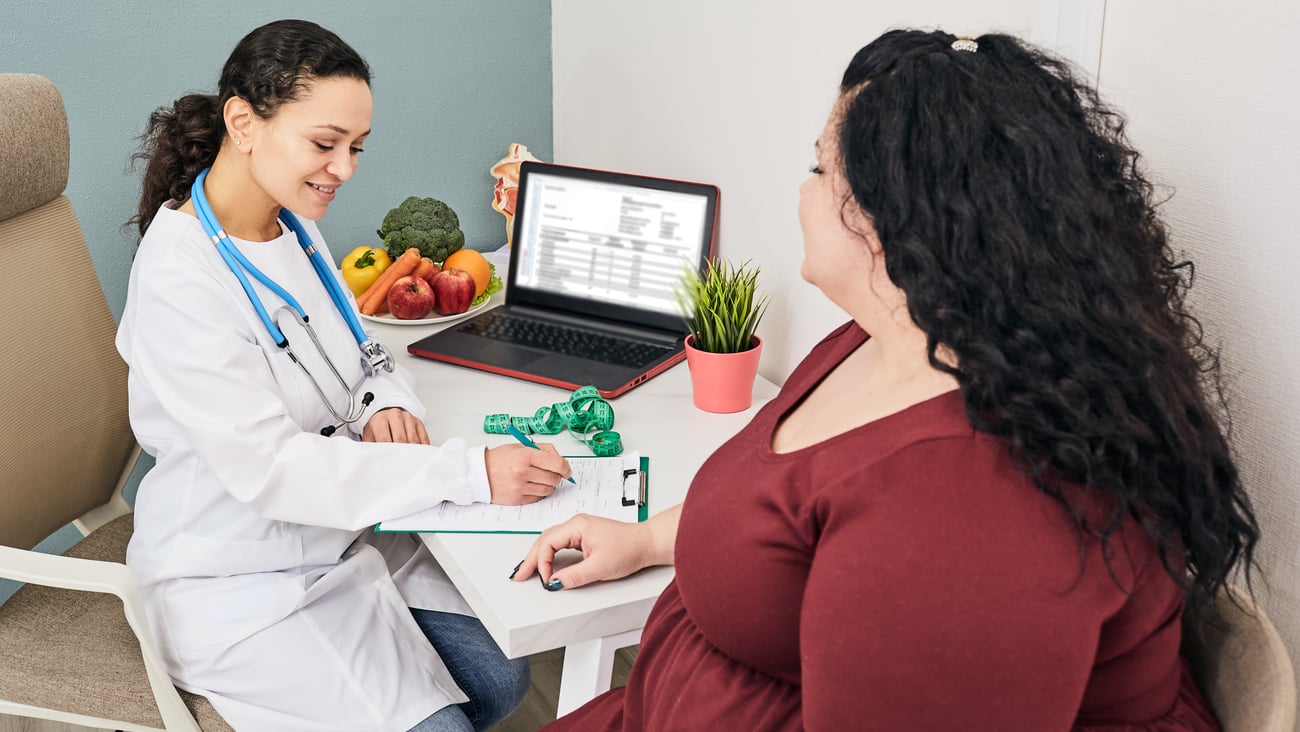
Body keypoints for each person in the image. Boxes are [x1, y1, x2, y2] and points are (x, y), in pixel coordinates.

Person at [512, 29, 1261, 730]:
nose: (802, 193)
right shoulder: (890, 336)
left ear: (883, 219)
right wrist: (647, 539)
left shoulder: (970, 512)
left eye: (818, 169)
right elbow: (783, 506)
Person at [118, 19, 571, 732]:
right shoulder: (182, 277)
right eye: (325, 144)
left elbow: (366, 351)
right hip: (237, 577)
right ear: (244, 121)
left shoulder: (290, 226)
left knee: (499, 678)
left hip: (342, 536)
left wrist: (380, 401)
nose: (346, 169)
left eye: (355, 148)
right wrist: (473, 474)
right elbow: (275, 471)